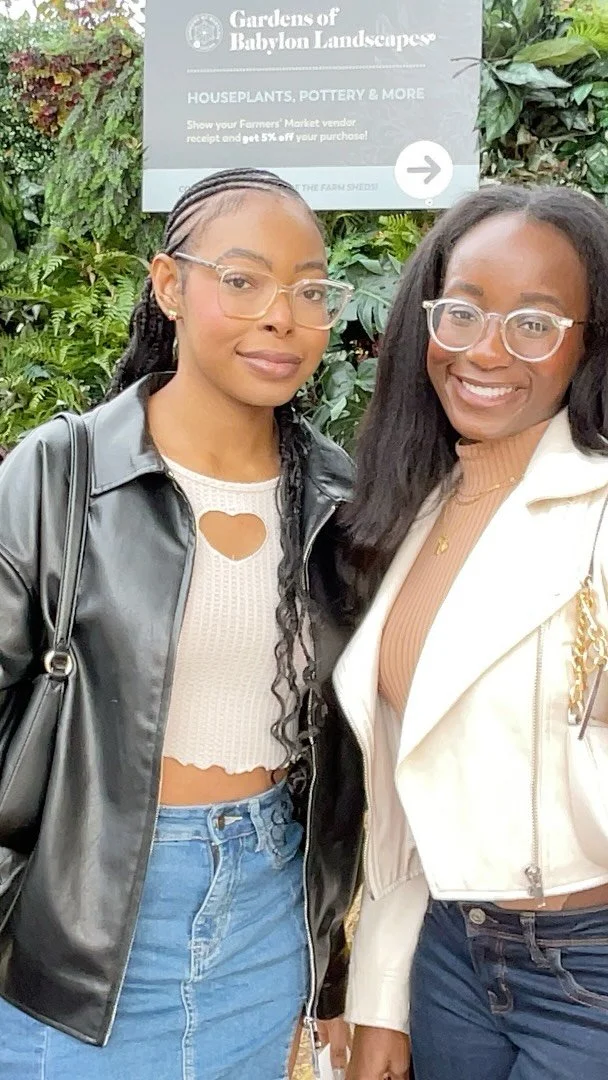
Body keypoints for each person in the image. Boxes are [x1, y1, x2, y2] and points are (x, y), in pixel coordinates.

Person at [0, 167, 365, 1080]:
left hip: (266, 915)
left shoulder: (341, 499)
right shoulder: (62, 473)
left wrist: (334, 970)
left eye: (309, 291)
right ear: (169, 285)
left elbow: (352, 749)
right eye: (242, 280)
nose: (282, 317)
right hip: (77, 926)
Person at [333, 183, 608, 1080]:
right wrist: (380, 995)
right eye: (463, 311)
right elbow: (409, 788)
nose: (486, 350)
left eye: (534, 323)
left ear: (587, 341)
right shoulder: (416, 511)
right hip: (451, 956)